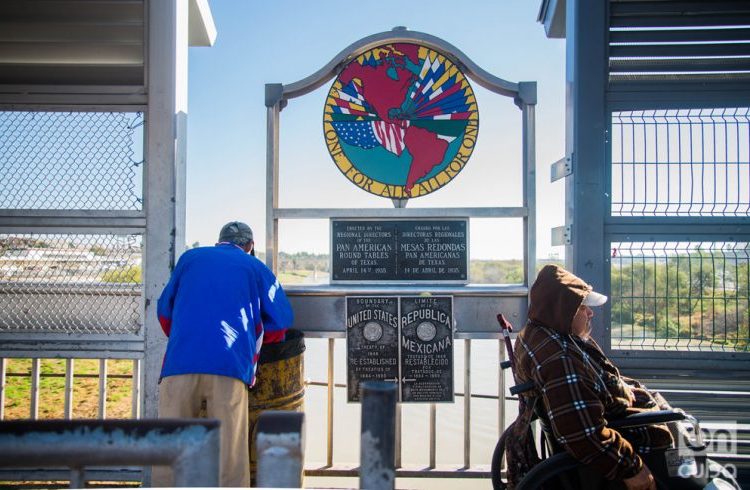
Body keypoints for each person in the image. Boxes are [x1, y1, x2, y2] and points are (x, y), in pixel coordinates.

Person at [512, 264, 706, 490]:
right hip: (634, 444)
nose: (590, 313)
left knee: (688, 441)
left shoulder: (540, 334)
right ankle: (690, 482)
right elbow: (582, 433)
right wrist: (632, 468)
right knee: (692, 454)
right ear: (564, 310)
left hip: (624, 422)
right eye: (583, 307)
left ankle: (693, 472)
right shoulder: (561, 359)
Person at [154, 221, 293, 487]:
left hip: (179, 364)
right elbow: (281, 321)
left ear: (219, 241)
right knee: (230, 452)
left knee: (171, 447)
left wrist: (188, 339)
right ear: (250, 246)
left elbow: (164, 312)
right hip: (229, 366)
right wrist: (254, 342)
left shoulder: (190, 258)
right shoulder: (255, 267)